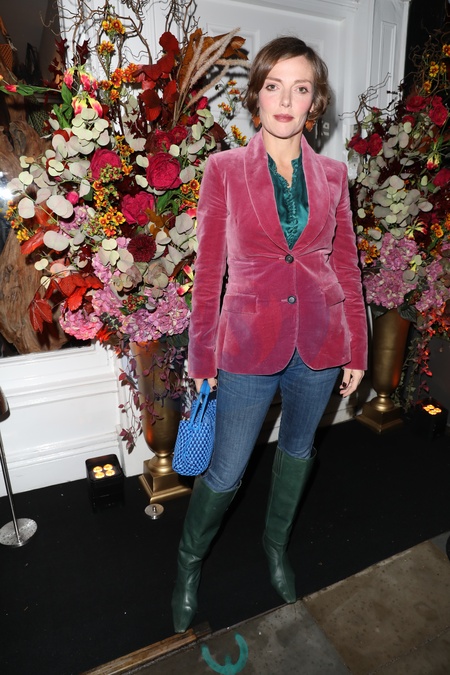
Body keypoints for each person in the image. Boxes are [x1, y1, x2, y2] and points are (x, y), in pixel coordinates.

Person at [171, 36, 368, 633]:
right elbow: (209, 273)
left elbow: (347, 266)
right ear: (257, 94)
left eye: (300, 88)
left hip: (320, 343)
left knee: (299, 450)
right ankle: (187, 565)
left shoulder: (333, 175)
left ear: (315, 101)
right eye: (274, 86)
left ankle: (275, 548)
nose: (286, 100)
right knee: (226, 470)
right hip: (248, 343)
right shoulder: (224, 170)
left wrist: (357, 347)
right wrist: (202, 357)